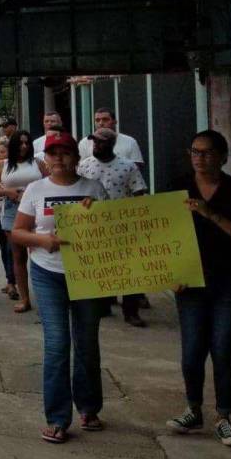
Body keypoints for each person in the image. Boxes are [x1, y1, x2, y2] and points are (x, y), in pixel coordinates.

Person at [166, 129, 231, 448]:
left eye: (207, 152)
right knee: (192, 352)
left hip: (230, 285)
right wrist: (169, 273)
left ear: (222, 157)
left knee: (222, 351)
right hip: (191, 284)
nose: (199, 157)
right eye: (195, 151)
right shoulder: (177, 187)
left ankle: (223, 416)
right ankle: (193, 410)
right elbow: (160, 233)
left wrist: (210, 214)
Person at [11, 133, 108, 443]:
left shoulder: (93, 188)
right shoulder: (35, 190)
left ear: (75, 157)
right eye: (53, 154)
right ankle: (57, 417)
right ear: (46, 158)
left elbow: (113, 232)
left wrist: (97, 214)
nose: (59, 159)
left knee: (87, 343)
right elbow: (18, 232)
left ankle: (89, 407)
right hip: (47, 273)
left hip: (87, 275)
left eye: (65, 153)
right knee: (56, 344)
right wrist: (43, 241)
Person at [78, 127, 149, 327]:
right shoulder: (85, 166)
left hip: (123, 224)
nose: (96, 145)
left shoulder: (128, 167)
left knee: (129, 269)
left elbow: (139, 192)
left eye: (101, 142)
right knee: (101, 266)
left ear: (111, 144)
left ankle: (131, 310)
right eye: (94, 142)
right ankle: (103, 305)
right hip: (95, 224)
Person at [0, 130, 44, 311]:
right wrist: (7, 192)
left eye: (27, 143)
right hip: (12, 210)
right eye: (20, 143)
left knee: (40, 255)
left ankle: (46, 296)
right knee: (18, 256)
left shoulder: (38, 163)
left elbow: (52, 182)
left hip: (38, 210)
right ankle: (25, 299)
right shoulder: (2, 165)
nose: (24, 146)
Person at [77, 108, 144, 165]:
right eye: (97, 120)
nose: (101, 123)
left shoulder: (130, 142)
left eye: (105, 119)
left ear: (114, 122)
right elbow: (80, 167)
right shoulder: (85, 142)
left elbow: (137, 167)